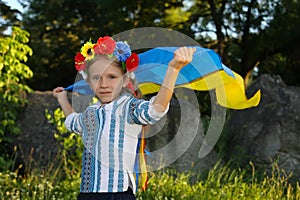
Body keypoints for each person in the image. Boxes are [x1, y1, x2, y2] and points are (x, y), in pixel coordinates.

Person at [53, 36, 196, 200]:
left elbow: (156, 109)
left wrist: (173, 70)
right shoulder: (90, 113)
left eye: (111, 77)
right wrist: (62, 98)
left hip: (117, 194)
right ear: (88, 82)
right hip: (87, 194)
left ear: (125, 79)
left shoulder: (127, 106)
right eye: (96, 78)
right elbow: (72, 121)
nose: (104, 84)